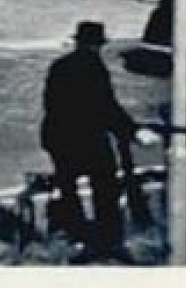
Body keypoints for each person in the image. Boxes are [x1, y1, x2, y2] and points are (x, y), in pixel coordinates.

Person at [40, 21, 153, 262]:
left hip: (59, 137)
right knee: (105, 187)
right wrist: (133, 131)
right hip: (86, 138)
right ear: (97, 45)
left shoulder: (59, 65)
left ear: (78, 41)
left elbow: (50, 103)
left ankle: (77, 236)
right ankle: (108, 240)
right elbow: (105, 106)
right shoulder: (94, 67)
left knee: (68, 187)